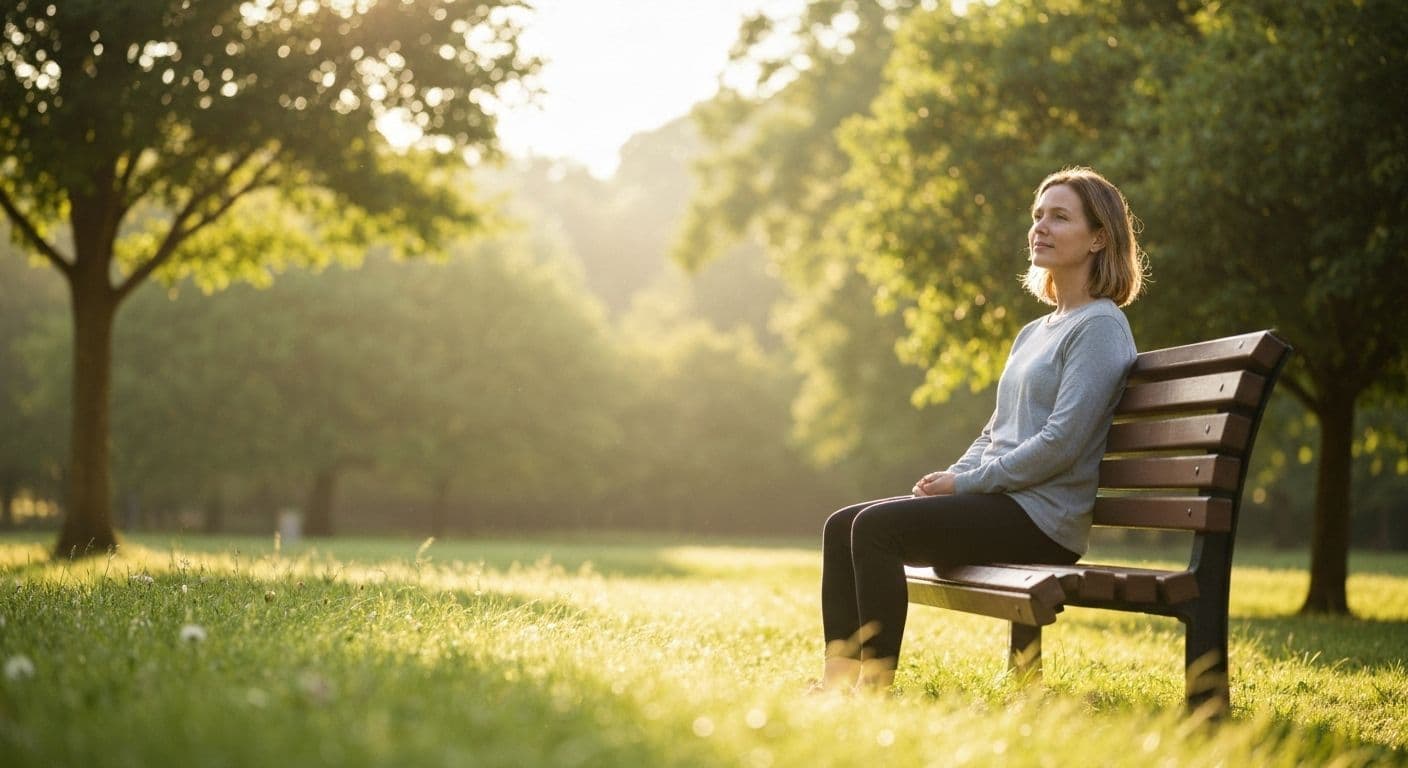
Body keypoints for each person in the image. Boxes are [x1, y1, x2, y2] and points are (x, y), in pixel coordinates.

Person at [816, 167, 1146, 694]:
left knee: (877, 530)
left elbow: (1062, 443)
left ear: (1099, 237)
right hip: (1004, 503)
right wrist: (952, 476)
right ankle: (836, 684)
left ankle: (873, 691)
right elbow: (997, 430)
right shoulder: (1034, 331)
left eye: (1060, 217)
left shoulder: (1100, 326)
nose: (1041, 226)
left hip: (1041, 519)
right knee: (843, 524)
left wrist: (966, 486)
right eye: (1038, 216)